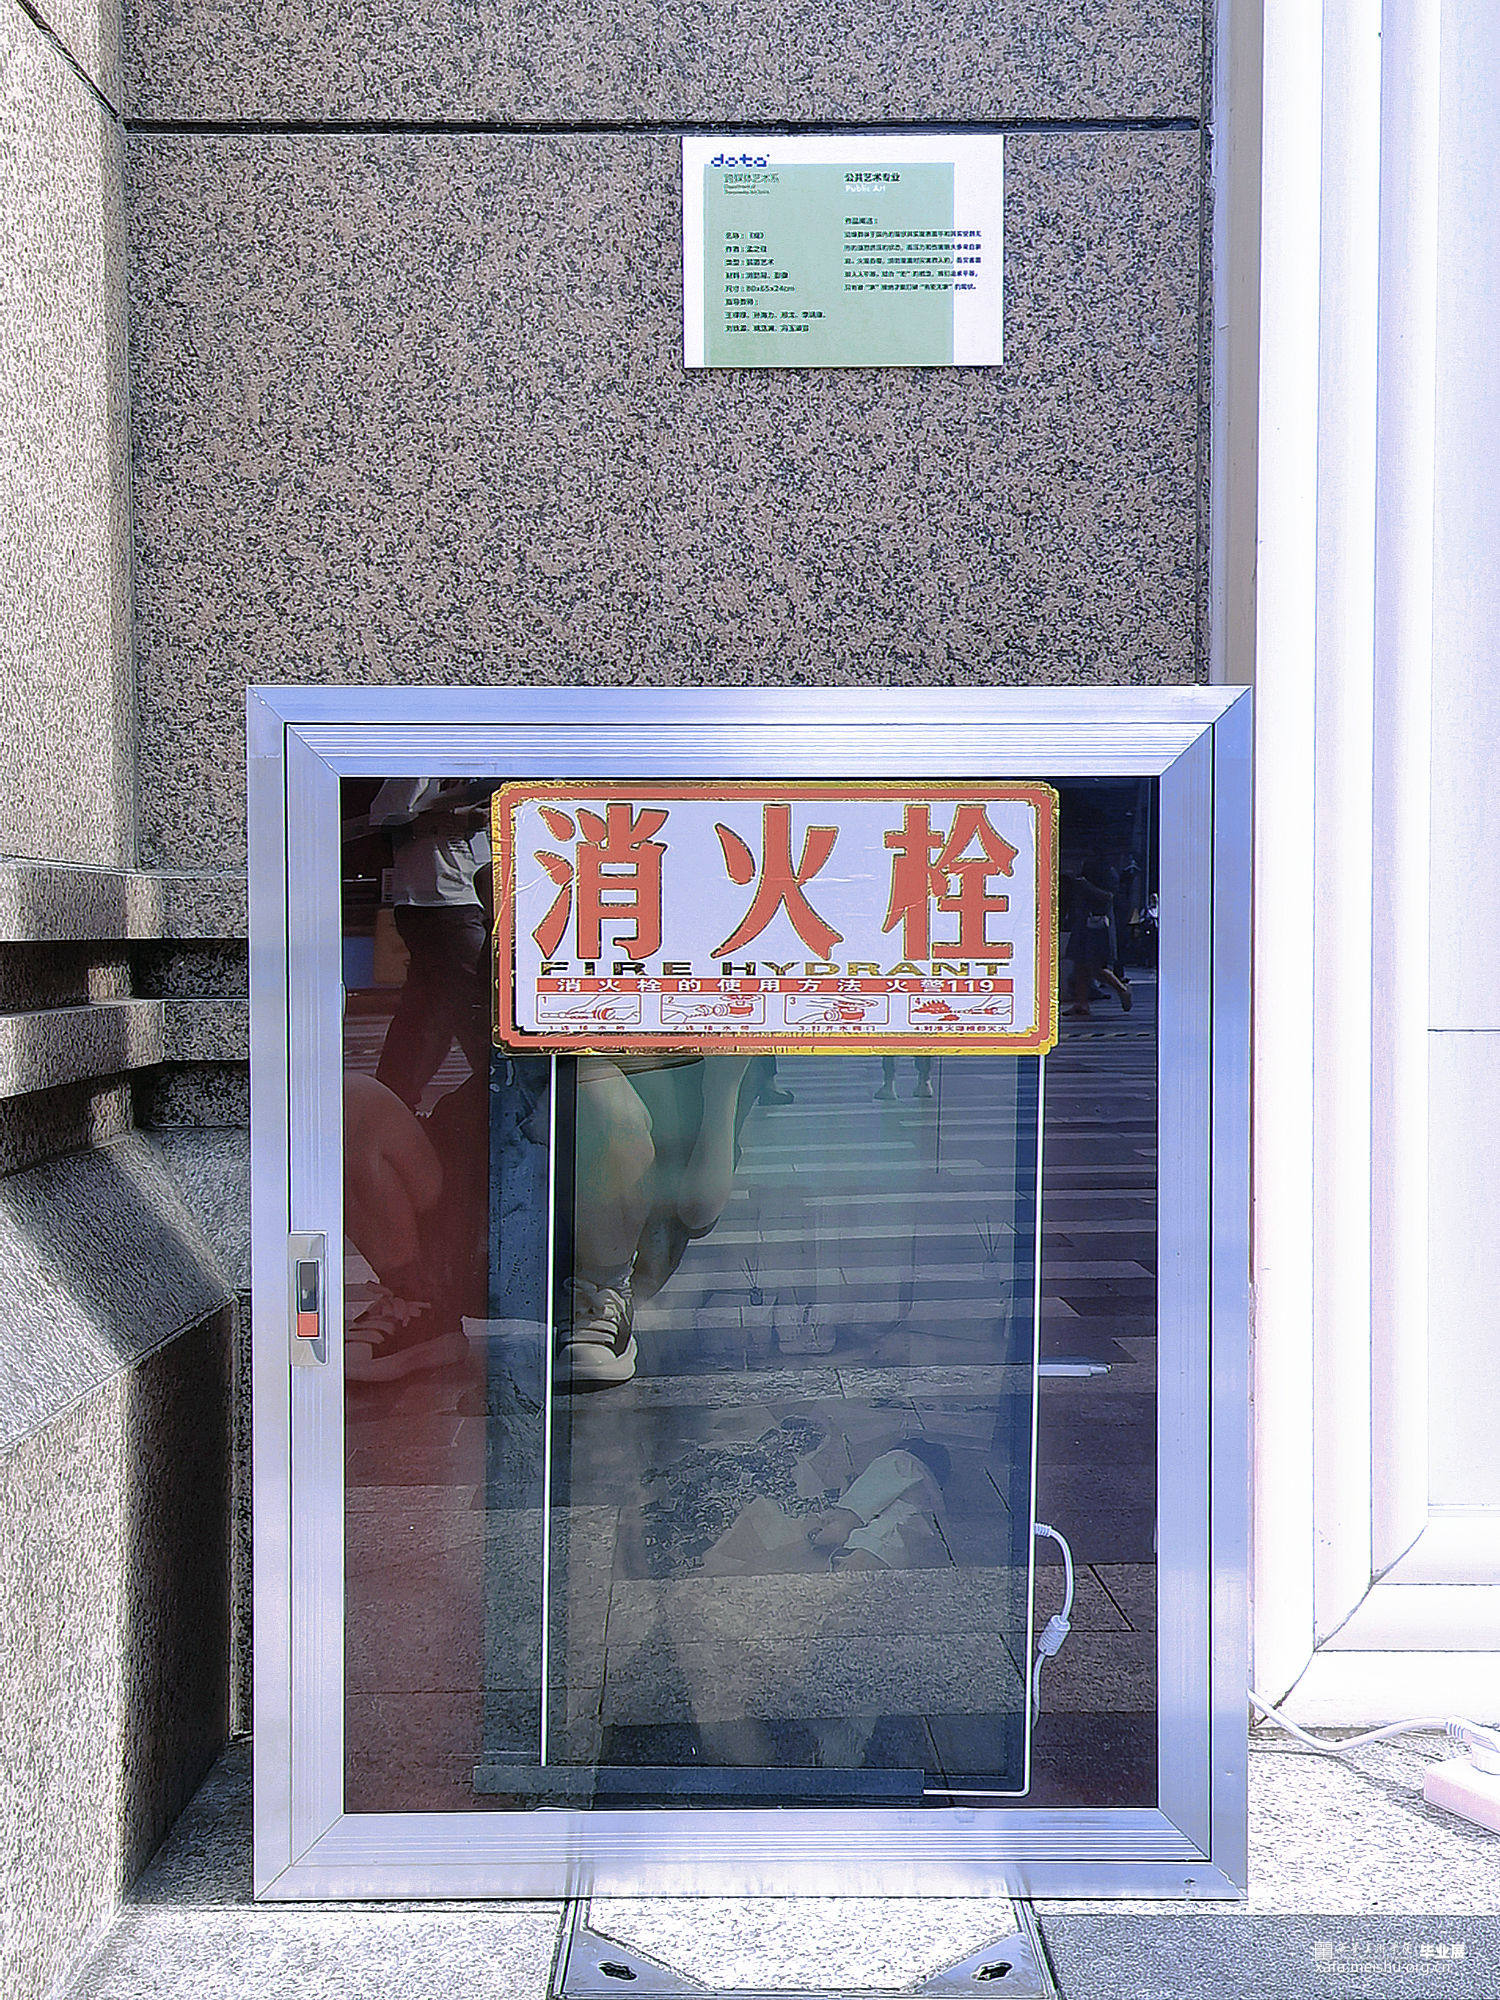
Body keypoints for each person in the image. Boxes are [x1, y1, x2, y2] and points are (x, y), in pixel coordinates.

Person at [560, 1053, 754, 1387]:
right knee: (596, 1087)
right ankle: (600, 1294)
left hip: (629, 1259)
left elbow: (698, 1210)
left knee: (600, 1092)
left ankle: (603, 1295)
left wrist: (723, 1083)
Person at [368, 778, 491, 1109]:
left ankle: (393, 1101)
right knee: (479, 1004)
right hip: (438, 899)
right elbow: (383, 823)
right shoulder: (421, 764)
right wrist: (451, 820)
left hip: (467, 893)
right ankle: (500, 1091)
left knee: (428, 1010)